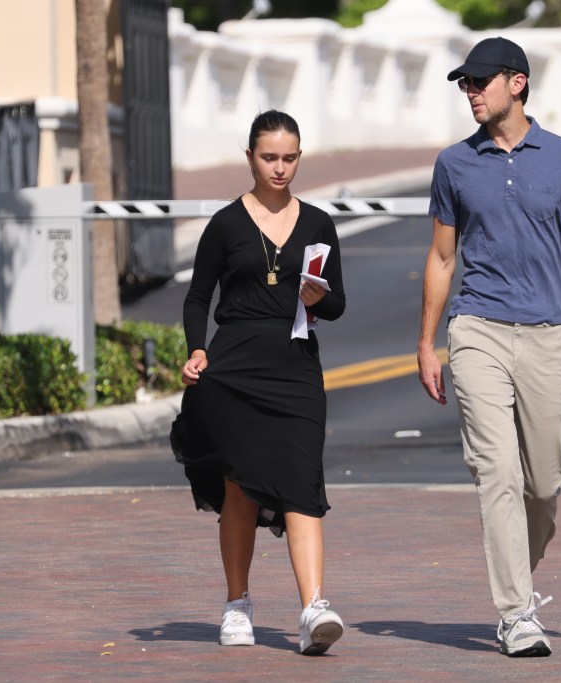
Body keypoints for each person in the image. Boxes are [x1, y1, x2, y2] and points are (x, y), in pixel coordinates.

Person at [417, 37, 561, 658]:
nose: (471, 91)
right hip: (477, 328)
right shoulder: (454, 163)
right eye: (465, 84)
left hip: (547, 333)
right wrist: (428, 343)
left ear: (517, 83)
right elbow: (440, 258)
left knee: (544, 483)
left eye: (480, 81)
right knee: (499, 474)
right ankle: (515, 614)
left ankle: (520, 576)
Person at [172, 110, 347, 656]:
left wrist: (320, 299)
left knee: (303, 481)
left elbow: (338, 303)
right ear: (250, 157)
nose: (279, 168)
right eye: (269, 157)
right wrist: (196, 348)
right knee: (238, 487)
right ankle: (236, 604)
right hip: (235, 368)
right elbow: (199, 295)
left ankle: (314, 608)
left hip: (295, 367)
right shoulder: (225, 224)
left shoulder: (319, 223)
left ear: (300, 157)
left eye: (289, 158)